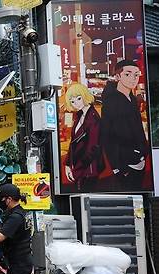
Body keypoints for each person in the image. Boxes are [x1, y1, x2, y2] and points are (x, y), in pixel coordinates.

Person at [100, 60, 150, 190]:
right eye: (128, 74)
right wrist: (118, 168)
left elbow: (137, 128)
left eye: (136, 75)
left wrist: (143, 151)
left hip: (139, 161)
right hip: (125, 165)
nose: (133, 79)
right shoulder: (111, 101)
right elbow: (106, 137)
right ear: (118, 77)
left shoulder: (132, 98)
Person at [64, 83, 104, 192]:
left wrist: (76, 169)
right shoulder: (79, 116)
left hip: (89, 170)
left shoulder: (93, 118)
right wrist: (67, 164)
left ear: (85, 96)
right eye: (72, 101)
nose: (76, 103)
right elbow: (73, 142)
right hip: (80, 168)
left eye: (78, 98)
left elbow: (93, 148)